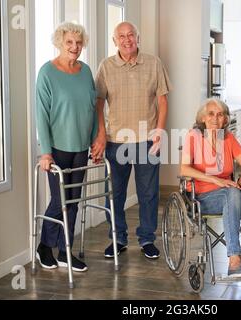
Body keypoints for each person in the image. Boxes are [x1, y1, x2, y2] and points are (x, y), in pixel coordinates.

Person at [92, 22, 171, 259]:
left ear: (138, 37)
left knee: (148, 193)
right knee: (114, 193)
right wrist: (101, 134)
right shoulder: (106, 66)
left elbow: (163, 101)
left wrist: (159, 131)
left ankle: (147, 239)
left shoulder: (154, 63)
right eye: (121, 36)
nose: (127, 40)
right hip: (116, 141)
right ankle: (118, 238)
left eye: (131, 35)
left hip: (147, 139)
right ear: (114, 40)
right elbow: (98, 104)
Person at [180, 98, 241, 279]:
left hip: (231, 197)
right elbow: (184, 169)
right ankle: (234, 261)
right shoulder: (193, 137)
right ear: (202, 118)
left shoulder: (228, 138)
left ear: (225, 120)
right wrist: (216, 181)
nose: (215, 118)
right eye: (211, 114)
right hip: (203, 198)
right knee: (232, 191)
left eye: (220, 114)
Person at [35, 22, 99, 272]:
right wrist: (46, 151)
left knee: (74, 200)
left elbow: (91, 109)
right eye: (69, 42)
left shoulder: (85, 71)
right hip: (58, 147)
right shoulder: (47, 73)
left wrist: (95, 140)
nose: (75, 47)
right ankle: (44, 245)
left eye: (78, 42)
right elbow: (41, 115)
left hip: (81, 146)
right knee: (60, 200)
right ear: (59, 43)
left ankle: (65, 251)